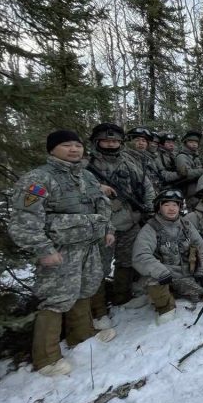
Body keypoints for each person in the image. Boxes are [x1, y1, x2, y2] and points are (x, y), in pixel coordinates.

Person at [9, 130, 116, 376]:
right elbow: (24, 219)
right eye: (66, 145)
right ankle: (47, 359)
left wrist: (107, 229)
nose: (74, 150)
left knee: (84, 289)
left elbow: (102, 204)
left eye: (77, 145)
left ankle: (82, 335)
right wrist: (42, 249)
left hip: (88, 245)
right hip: (60, 249)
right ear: (52, 149)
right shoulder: (37, 180)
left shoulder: (86, 177)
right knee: (56, 299)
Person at [87, 123, 154, 310]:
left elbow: (146, 185)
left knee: (127, 261)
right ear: (96, 141)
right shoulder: (86, 165)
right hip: (102, 226)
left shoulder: (128, 162)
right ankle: (98, 310)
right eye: (106, 141)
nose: (110, 144)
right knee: (99, 268)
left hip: (130, 222)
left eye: (115, 141)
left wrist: (149, 207)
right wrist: (97, 188)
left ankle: (122, 298)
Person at [132, 189, 203, 324]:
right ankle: (165, 307)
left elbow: (200, 246)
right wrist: (160, 272)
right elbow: (140, 256)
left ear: (180, 207)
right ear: (159, 207)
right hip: (166, 274)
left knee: (202, 293)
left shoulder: (185, 224)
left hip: (187, 272)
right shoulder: (150, 228)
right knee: (153, 280)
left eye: (175, 205)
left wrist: (200, 270)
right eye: (166, 205)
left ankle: (172, 292)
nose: (171, 209)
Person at [176, 130, 203, 210]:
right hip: (188, 192)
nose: (194, 144)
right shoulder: (182, 157)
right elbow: (186, 174)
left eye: (196, 142)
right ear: (185, 143)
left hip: (198, 190)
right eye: (191, 142)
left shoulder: (196, 157)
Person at [125, 126, 161, 192]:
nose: (141, 143)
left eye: (144, 141)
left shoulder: (148, 159)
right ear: (130, 142)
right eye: (137, 140)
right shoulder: (124, 157)